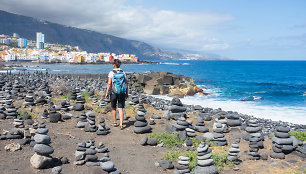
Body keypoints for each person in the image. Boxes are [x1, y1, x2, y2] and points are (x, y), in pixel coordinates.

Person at [105, 59, 128, 129]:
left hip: (113, 92)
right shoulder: (123, 72)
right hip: (121, 92)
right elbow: (126, 83)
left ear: (114, 65)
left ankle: (115, 122)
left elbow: (109, 83)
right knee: (121, 108)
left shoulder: (111, 73)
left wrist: (106, 93)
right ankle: (121, 124)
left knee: (113, 108)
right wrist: (127, 92)